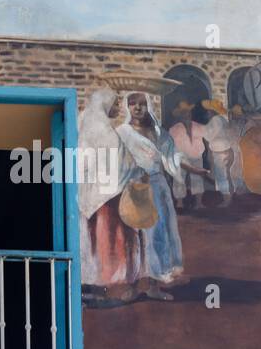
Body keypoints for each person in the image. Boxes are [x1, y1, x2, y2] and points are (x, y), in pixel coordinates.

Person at [116, 92, 212, 299]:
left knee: (157, 235)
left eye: (142, 104)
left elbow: (173, 156)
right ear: (128, 107)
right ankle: (132, 287)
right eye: (133, 104)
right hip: (134, 187)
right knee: (135, 238)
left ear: (148, 106)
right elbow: (116, 160)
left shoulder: (158, 132)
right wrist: (132, 174)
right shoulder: (122, 133)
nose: (138, 108)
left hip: (157, 187)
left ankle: (153, 286)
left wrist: (196, 171)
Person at [78, 88, 142, 301]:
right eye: (115, 103)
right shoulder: (102, 128)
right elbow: (119, 161)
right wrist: (136, 172)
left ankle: (91, 281)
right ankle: (106, 281)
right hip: (106, 194)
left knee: (90, 237)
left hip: (89, 192)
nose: (118, 108)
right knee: (107, 235)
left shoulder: (84, 120)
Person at [166, 98, 209, 209]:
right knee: (179, 179)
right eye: (184, 113)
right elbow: (170, 146)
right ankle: (180, 202)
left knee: (198, 178)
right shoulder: (174, 129)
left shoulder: (199, 127)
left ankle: (199, 203)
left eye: (188, 112)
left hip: (196, 155)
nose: (187, 114)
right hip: (181, 158)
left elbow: (208, 140)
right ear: (179, 115)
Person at [201, 99, 240, 207]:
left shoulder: (215, 120)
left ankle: (227, 200)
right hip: (226, 150)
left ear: (212, 111)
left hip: (220, 152)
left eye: (208, 110)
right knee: (226, 175)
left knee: (221, 176)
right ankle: (230, 197)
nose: (207, 112)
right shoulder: (222, 119)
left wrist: (204, 131)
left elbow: (209, 136)